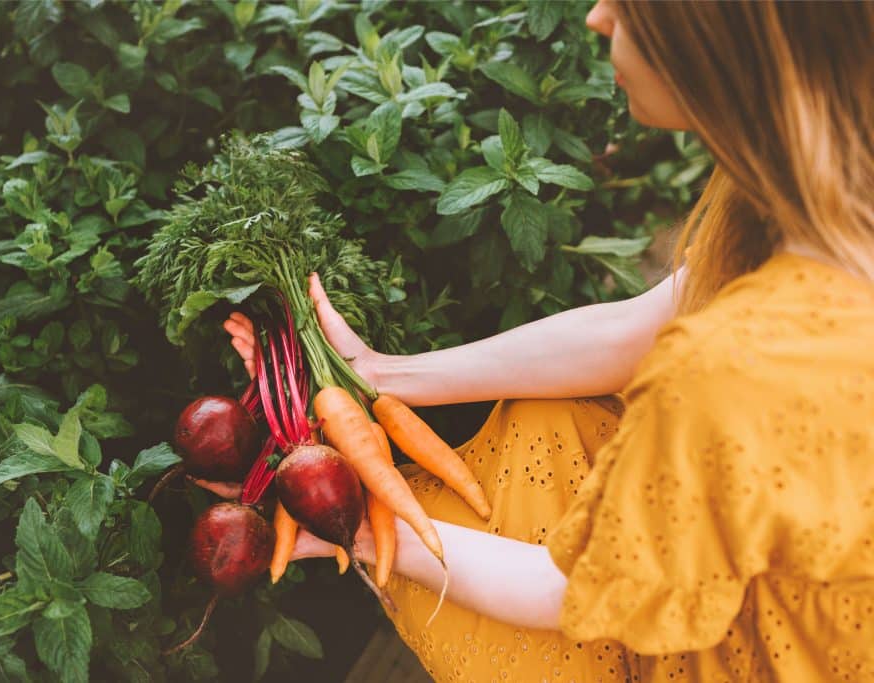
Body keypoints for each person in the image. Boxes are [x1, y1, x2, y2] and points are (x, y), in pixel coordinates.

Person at [220, 1, 874, 680]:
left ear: (719, 36)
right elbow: (638, 329)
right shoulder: (829, 170)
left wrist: (368, 528)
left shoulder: (733, 364)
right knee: (544, 425)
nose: (597, 16)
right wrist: (384, 372)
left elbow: (565, 588)